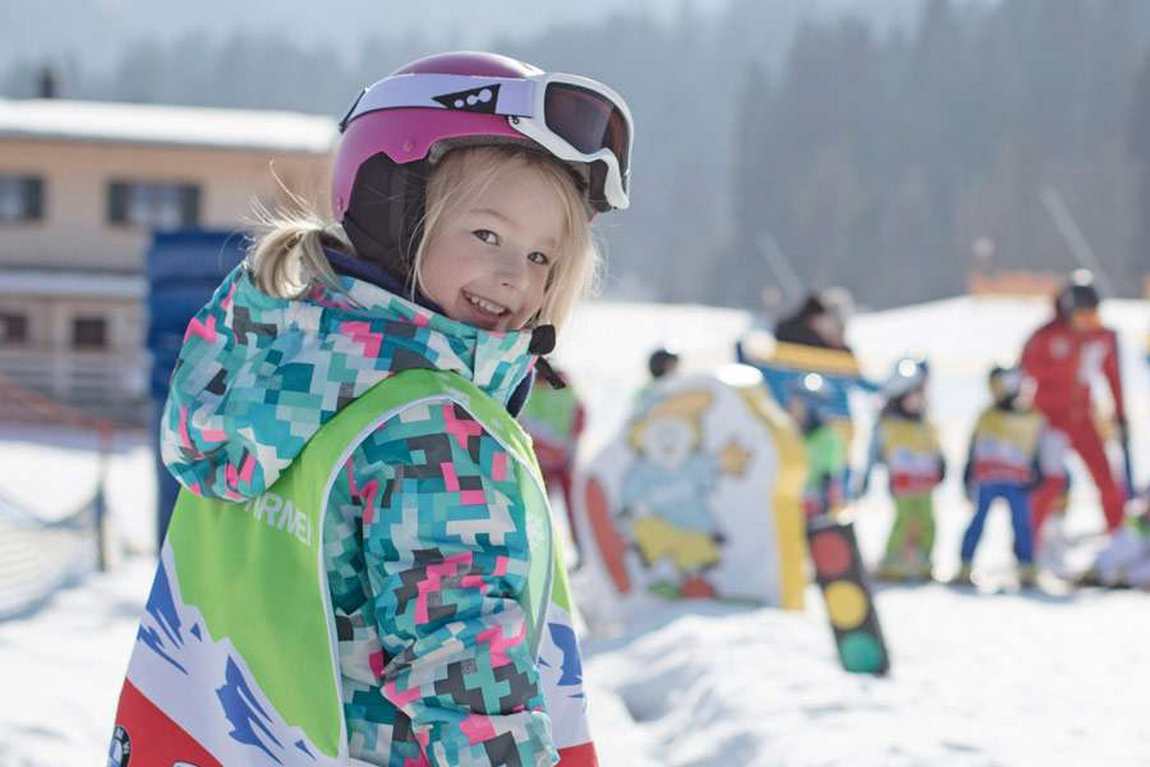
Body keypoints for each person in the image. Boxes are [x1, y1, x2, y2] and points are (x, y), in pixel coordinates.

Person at [111, 51, 633, 767]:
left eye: (543, 257)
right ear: (396, 207)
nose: (515, 275)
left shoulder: (280, 374)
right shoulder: (434, 430)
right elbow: (464, 667)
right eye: (487, 234)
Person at [1021, 270, 1127, 543]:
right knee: (1050, 480)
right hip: (1051, 419)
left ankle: (1119, 536)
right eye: (1082, 315)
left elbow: (1112, 375)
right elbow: (1027, 370)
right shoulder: (1047, 336)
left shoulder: (1101, 337)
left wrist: (1120, 413)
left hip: (1084, 417)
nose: (1086, 321)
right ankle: (1029, 541)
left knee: (1107, 478)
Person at [955, 365, 1046, 587]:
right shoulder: (987, 416)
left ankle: (1026, 566)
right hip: (988, 479)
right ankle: (965, 563)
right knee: (979, 520)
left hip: (1017, 480)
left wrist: (1037, 470)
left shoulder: (1032, 417)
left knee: (1022, 523)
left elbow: (1037, 447)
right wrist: (967, 474)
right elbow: (974, 446)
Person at [860, 357, 945, 581]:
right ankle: (893, 559)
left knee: (927, 520)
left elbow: (935, 447)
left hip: (925, 483)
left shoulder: (925, 424)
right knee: (905, 519)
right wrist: (865, 477)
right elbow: (874, 453)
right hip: (902, 483)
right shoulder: (889, 425)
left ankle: (923, 558)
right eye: (912, 397)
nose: (918, 402)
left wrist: (941, 463)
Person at [519, 364, 586, 555]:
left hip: (551, 460)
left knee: (553, 508)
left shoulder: (536, 389)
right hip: (552, 459)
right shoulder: (561, 390)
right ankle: (538, 549)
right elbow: (579, 416)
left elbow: (579, 417)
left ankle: (576, 550)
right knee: (543, 508)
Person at [786, 372, 846, 521]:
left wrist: (824, 508)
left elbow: (829, 478)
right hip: (788, 505)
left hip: (814, 510)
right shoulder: (788, 433)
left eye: (798, 402)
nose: (792, 406)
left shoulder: (827, 437)